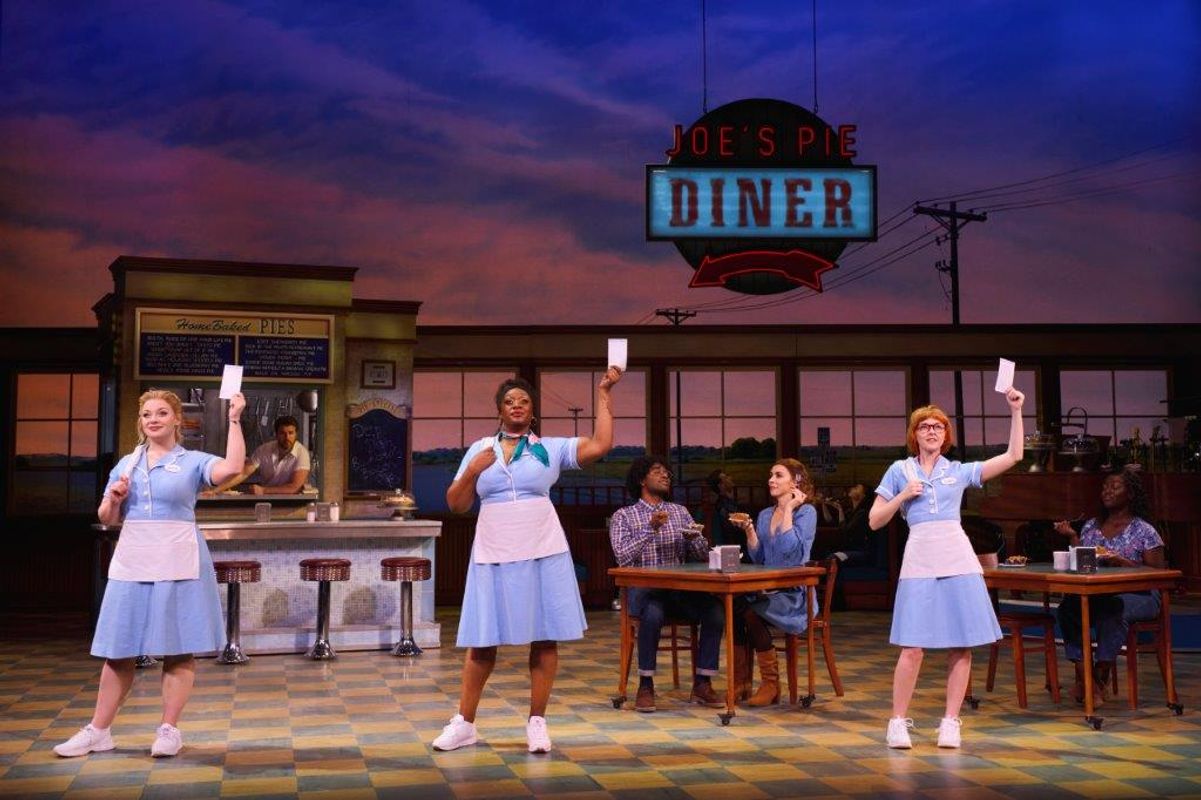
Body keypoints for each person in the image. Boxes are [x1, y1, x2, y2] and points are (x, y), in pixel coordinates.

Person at [432, 369, 622, 754]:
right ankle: (464, 723)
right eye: (509, 401)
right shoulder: (480, 449)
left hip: (542, 547)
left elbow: (600, 444)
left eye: (524, 401)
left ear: (532, 412)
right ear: (499, 411)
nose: (516, 406)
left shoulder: (549, 448)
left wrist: (604, 393)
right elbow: (456, 504)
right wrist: (472, 471)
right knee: (483, 639)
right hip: (493, 549)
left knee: (544, 634)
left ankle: (537, 721)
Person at [55, 389, 247, 758]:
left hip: (178, 558)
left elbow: (233, 468)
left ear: (177, 420)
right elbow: (106, 517)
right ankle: (98, 731)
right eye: (146, 414)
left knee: (177, 647)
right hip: (134, 559)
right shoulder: (126, 465)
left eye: (161, 413)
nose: (153, 419)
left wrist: (235, 419)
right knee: (118, 648)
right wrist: (114, 499)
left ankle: (169, 730)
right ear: (140, 422)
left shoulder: (192, 462)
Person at [869, 388, 1025, 750]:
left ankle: (951, 722)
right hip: (919, 560)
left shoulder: (958, 471)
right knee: (912, 647)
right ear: (915, 434)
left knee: (961, 644)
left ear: (945, 435)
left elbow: (1014, 455)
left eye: (938, 427)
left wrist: (1015, 411)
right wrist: (903, 495)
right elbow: (875, 520)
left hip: (958, 560)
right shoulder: (899, 470)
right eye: (924, 426)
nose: (931, 431)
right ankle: (897, 722)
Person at [610, 455, 725, 713]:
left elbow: (701, 554)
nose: (665, 476)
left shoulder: (679, 512)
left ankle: (703, 682)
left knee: (715, 610)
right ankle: (646, 685)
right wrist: (650, 528)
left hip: (679, 591)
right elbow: (622, 557)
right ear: (642, 479)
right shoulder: (624, 516)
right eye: (657, 471)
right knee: (652, 613)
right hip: (644, 593)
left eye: (667, 472)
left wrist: (695, 539)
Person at [1054, 468, 1165, 705]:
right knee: (1068, 608)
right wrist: (1073, 536)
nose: (1107, 491)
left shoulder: (1144, 530)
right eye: (1105, 487)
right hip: (1101, 593)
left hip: (1142, 595)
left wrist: (1125, 563)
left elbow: (1159, 573)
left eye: (1114, 487)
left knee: (1113, 609)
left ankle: (1100, 673)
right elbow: (1083, 561)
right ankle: (1088, 678)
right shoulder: (1091, 527)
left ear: (1130, 494)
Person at [731, 458, 817, 706]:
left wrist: (789, 509)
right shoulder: (765, 514)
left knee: (750, 612)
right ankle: (740, 683)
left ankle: (770, 684)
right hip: (767, 590)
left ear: (795, 481)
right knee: (734, 607)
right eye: (771, 475)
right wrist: (749, 529)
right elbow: (758, 558)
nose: (771, 480)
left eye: (778, 475)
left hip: (794, 594)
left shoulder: (806, 512)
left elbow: (791, 552)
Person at [207, 415, 310, 495]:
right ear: (276, 434)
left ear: (296, 434)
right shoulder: (264, 450)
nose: (287, 437)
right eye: (282, 433)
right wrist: (216, 490)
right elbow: (243, 474)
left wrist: (264, 490)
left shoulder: (302, 453)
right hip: (266, 500)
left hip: (292, 502)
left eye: (291, 433)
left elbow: (294, 487)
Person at [706, 469, 746, 552]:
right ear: (721, 485)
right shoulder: (723, 506)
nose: (730, 478)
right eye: (726, 477)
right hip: (734, 550)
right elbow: (733, 531)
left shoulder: (728, 502)